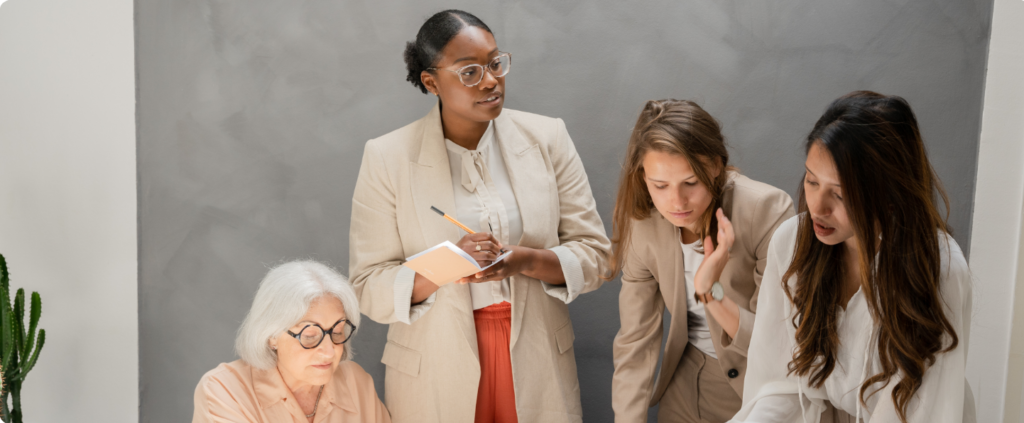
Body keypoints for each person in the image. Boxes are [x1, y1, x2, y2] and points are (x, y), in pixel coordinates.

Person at [348, 9, 610, 423]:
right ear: (431, 82)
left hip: (537, 356)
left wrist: (526, 260)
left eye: (494, 63)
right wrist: (448, 262)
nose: (490, 80)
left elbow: (597, 256)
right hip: (435, 366)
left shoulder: (548, 138)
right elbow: (366, 287)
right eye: (469, 71)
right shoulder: (387, 157)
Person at [730, 91, 975, 423]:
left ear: (890, 196)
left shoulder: (939, 270)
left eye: (840, 194)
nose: (817, 207)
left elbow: (917, 410)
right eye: (812, 181)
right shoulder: (792, 242)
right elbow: (779, 382)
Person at [609, 99, 795, 422]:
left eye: (690, 183)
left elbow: (777, 341)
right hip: (684, 388)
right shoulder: (643, 226)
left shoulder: (766, 211)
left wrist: (709, 292)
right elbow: (635, 343)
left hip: (756, 389)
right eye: (660, 185)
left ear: (715, 166)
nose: (676, 202)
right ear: (642, 177)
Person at [193, 260, 390, 423]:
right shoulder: (224, 390)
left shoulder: (356, 381)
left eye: (337, 332)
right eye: (310, 336)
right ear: (271, 336)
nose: (330, 352)